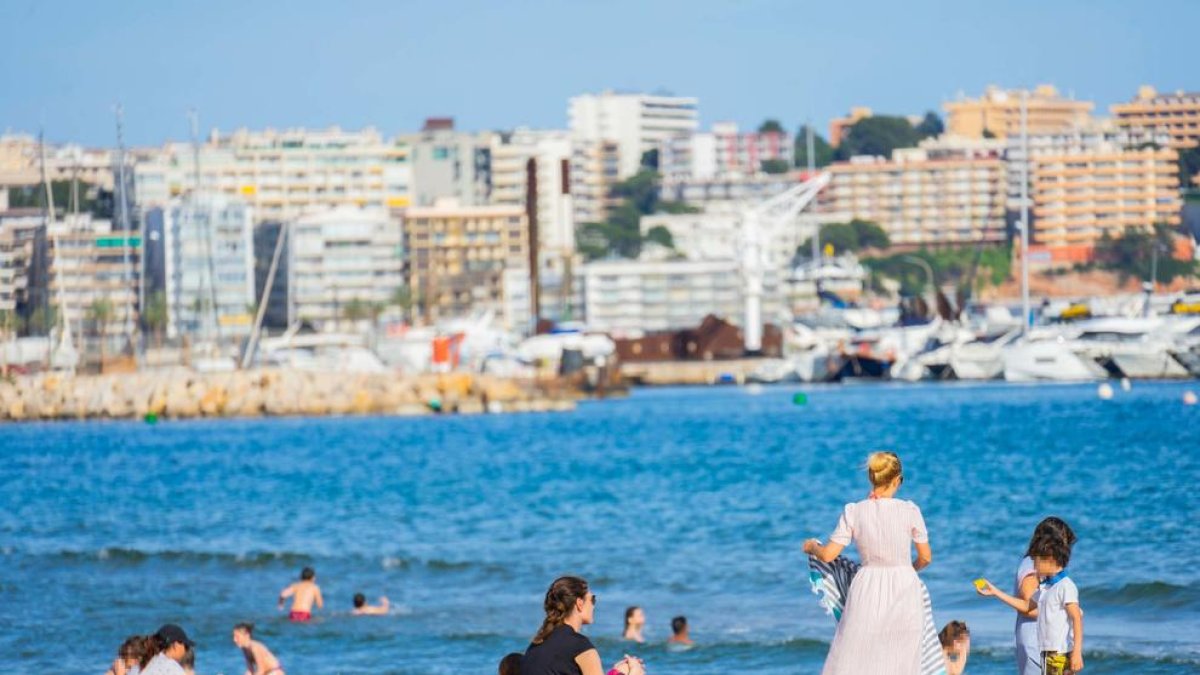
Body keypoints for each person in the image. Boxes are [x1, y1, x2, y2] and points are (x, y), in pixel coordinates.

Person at [803, 451, 934, 674]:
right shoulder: (910, 511)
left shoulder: (854, 511)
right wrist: (908, 570)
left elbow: (827, 555)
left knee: (857, 655)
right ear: (897, 480)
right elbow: (926, 557)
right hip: (905, 585)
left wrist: (811, 546)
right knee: (901, 659)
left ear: (871, 478)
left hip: (868, 587)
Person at [976, 517, 1077, 675]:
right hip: (1037, 644)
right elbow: (1028, 607)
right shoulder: (1033, 565)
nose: (1065, 550)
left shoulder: (1045, 568)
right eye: (1062, 543)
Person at [522, 576, 603, 675]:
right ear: (579, 603)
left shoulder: (535, 644)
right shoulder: (580, 646)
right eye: (593, 599)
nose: (593, 606)